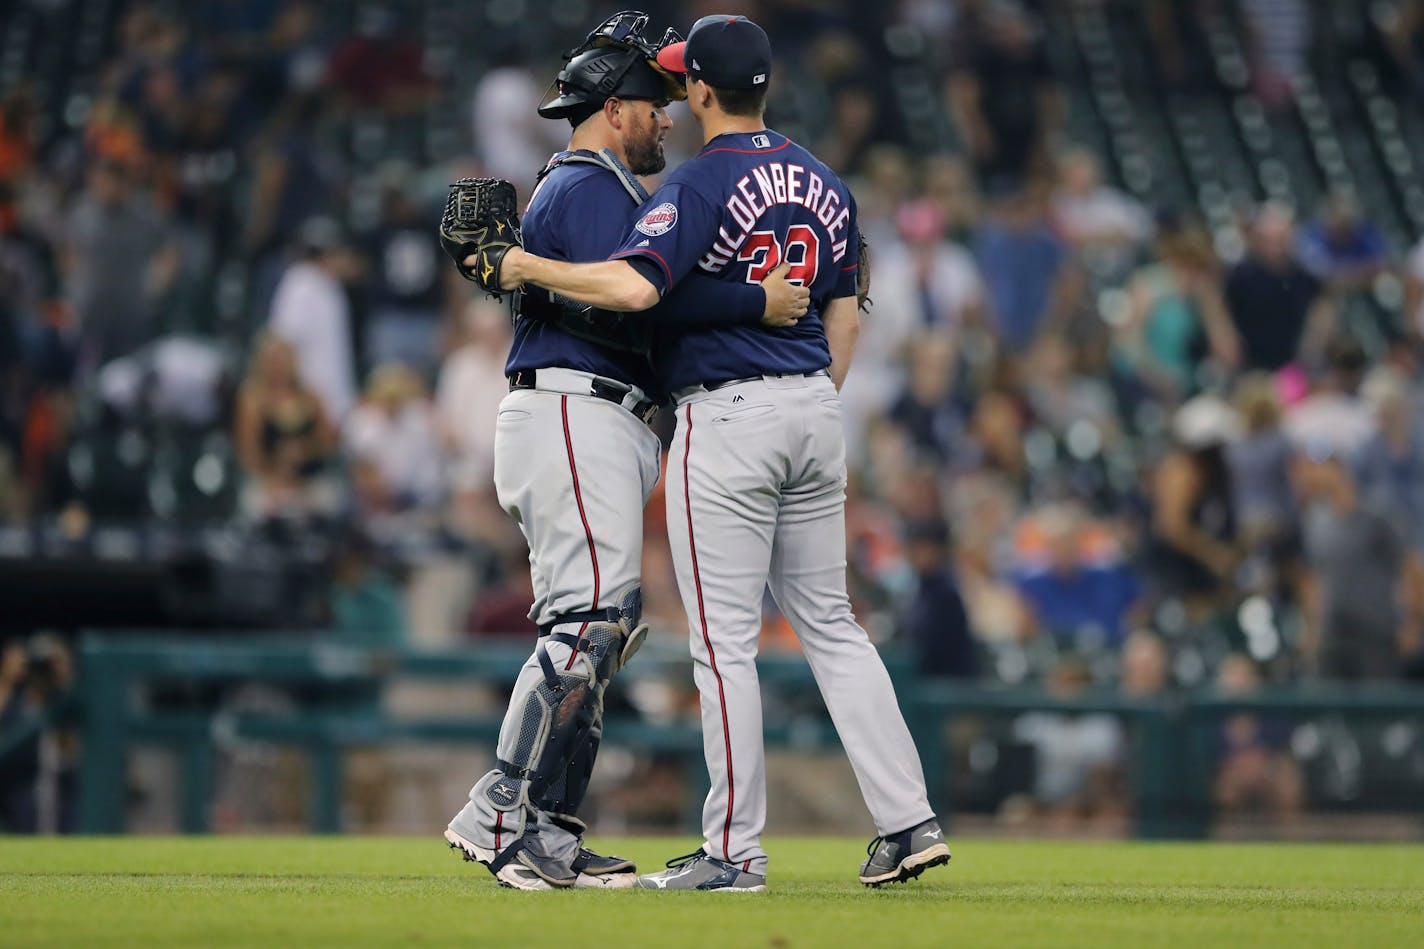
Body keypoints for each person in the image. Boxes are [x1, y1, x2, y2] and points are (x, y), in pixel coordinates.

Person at [484, 14, 949, 892]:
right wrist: (807, 391)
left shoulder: (697, 183)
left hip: (730, 415)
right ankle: (909, 822)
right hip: (816, 405)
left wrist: (521, 266)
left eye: (678, 83)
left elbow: (631, 287)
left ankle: (733, 851)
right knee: (835, 628)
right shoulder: (826, 178)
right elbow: (844, 310)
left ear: (700, 89)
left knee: (723, 646)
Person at [441, 11, 810, 892]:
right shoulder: (592, 182)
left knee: (601, 628)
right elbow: (640, 298)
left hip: (587, 416)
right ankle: (501, 806)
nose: (667, 116)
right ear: (612, 109)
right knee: (586, 624)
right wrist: (750, 302)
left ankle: (551, 829)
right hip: (575, 409)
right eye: (651, 103)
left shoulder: (592, 184)